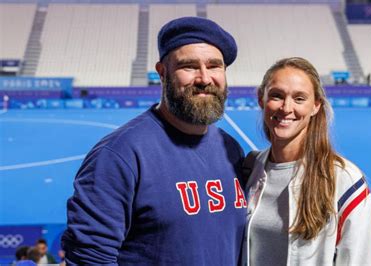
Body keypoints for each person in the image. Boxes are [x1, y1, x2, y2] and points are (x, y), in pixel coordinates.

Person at [62, 17, 247, 265]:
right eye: (189, 66)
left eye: (214, 66)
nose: (204, 78)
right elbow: (90, 257)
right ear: (162, 73)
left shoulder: (231, 149)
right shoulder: (119, 155)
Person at [242, 57, 371, 265]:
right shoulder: (248, 169)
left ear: (315, 106)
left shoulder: (344, 180)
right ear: (261, 99)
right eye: (277, 96)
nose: (286, 108)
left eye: (299, 98)